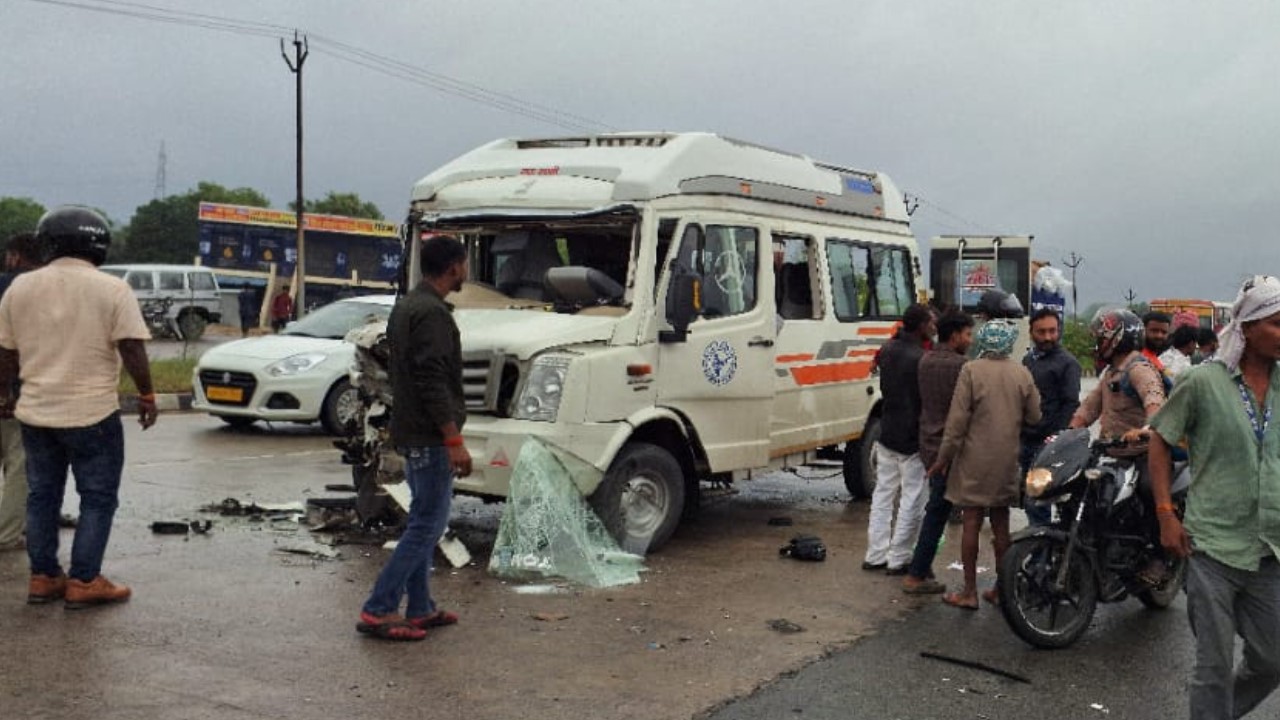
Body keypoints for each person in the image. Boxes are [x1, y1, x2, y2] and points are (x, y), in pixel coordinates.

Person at [0, 207, 157, 608]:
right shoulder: (112, 289)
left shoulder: (19, 288)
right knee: (98, 497)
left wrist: (6, 395)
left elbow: (6, 351)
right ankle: (85, 580)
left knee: (42, 495)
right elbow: (131, 346)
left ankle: (44, 577)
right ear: (98, 244)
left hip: (35, 412)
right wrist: (147, 394)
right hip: (92, 413)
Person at [1148, 275, 1280, 720]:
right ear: (1247, 328)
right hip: (1212, 549)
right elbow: (1160, 440)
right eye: (1278, 324)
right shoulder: (1204, 381)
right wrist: (1166, 512)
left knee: (1273, 660)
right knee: (1214, 666)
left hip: (1270, 551)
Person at [357, 235, 471, 642]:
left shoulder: (407, 306)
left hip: (412, 430)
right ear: (454, 267)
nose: (466, 271)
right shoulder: (432, 314)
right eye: (465, 264)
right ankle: (379, 609)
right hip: (430, 435)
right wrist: (453, 438)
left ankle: (420, 607)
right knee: (426, 525)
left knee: (426, 520)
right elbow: (432, 380)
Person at [928, 320, 1041, 609]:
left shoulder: (971, 370)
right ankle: (1002, 589)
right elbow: (1034, 417)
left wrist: (943, 459)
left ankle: (969, 592)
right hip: (1006, 459)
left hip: (973, 460)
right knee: (1001, 525)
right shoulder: (1022, 373)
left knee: (971, 522)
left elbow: (956, 424)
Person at [1070, 306, 1170, 585]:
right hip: (1111, 453)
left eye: (1101, 337)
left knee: (1151, 493)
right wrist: (1066, 433)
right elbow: (1088, 409)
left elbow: (1154, 399)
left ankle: (1159, 557)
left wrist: (1147, 429)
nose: (1097, 342)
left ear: (1118, 337)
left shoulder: (1138, 368)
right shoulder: (1111, 373)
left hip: (1143, 454)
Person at [902, 309, 973, 594]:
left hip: (928, 443)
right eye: (968, 334)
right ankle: (917, 573)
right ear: (955, 335)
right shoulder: (963, 367)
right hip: (951, 448)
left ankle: (920, 567)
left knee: (935, 507)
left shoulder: (925, 360)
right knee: (940, 511)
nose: (970, 339)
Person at [863, 304, 935, 575]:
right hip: (912, 437)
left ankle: (875, 554)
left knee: (883, 495)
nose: (934, 325)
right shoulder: (921, 358)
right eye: (931, 321)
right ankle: (899, 558)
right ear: (920, 326)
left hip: (888, 432)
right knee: (912, 499)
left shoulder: (887, 350)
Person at [0, 232, 46, 552]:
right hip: (22, 390)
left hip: (8, 386)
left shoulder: (5, 285)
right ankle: (7, 533)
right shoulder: (45, 291)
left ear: (14, 256)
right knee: (19, 464)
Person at [1020, 308, 1081, 526]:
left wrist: (1056, 437)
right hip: (1027, 441)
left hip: (1049, 444)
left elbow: (1071, 403)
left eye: (1052, 331)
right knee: (1031, 501)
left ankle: (1042, 555)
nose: (1048, 337)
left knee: (1041, 503)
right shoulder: (1028, 360)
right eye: (1041, 332)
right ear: (1031, 332)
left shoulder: (1068, 363)